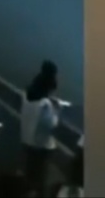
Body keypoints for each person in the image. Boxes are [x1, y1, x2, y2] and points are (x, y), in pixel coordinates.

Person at [21, 62, 62, 197]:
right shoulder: (45, 105)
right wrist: (57, 110)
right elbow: (51, 124)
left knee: (28, 175)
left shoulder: (27, 94)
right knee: (39, 180)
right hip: (40, 146)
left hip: (27, 140)